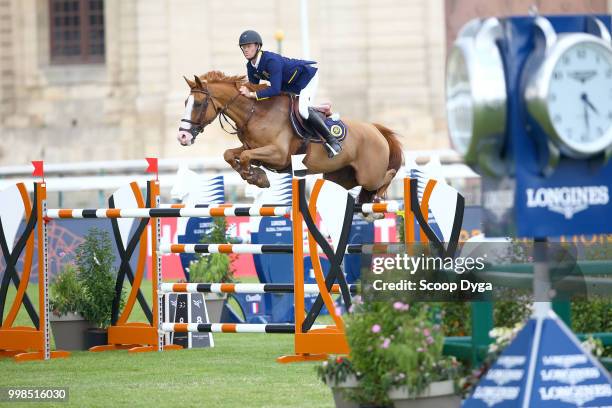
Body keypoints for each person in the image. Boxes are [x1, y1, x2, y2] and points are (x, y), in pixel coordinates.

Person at [237, 30, 342, 158]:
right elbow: (254, 87)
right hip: (291, 85)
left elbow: (274, 90)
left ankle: (333, 142)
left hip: (307, 78)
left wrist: (252, 94)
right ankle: (321, 108)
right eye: (244, 47)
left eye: (249, 47)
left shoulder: (271, 60)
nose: (246, 50)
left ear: (257, 46)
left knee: (303, 110)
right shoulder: (250, 66)